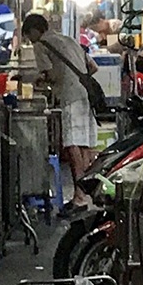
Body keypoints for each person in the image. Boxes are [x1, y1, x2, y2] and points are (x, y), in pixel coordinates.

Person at [20, 12, 99, 205]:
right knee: (84, 145)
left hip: (69, 97)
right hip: (85, 95)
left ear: (34, 31)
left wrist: (37, 80)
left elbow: (49, 75)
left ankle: (79, 195)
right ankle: (88, 192)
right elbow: (93, 66)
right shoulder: (69, 39)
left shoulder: (41, 45)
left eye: (29, 37)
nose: (30, 42)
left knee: (72, 146)